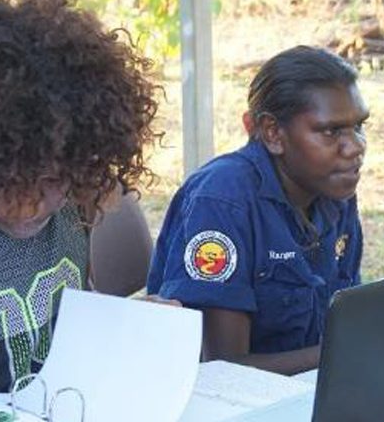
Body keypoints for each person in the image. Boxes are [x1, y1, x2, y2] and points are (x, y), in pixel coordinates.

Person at [0, 0, 160, 398]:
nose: (33, 202)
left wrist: (126, 325)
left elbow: (71, 319)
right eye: (5, 181)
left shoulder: (73, 212)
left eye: (55, 179)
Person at [147, 46, 368, 375]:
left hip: (306, 391)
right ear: (273, 133)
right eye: (331, 131)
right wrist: (344, 355)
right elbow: (223, 368)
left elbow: (347, 317)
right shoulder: (222, 201)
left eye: (359, 127)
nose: (355, 147)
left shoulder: (333, 190)